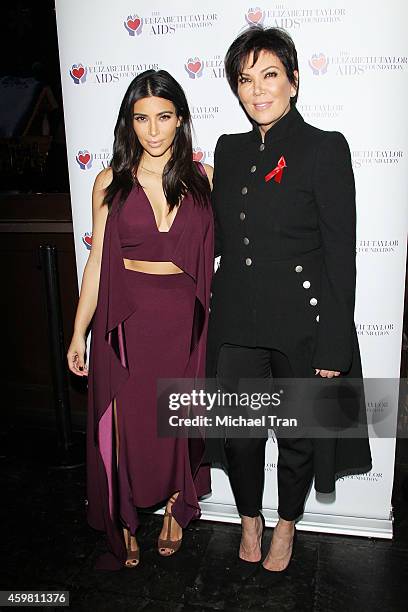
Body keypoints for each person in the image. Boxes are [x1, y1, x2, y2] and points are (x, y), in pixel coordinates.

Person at [205, 26, 372, 576]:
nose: (257, 90)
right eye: (245, 79)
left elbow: (340, 253)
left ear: (294, 81)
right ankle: (249, 516)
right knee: (241, 433)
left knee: (297, 437)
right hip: (237, 322)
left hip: (302, 323)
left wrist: (335, 342)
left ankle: (286, 523)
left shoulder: (325, 147)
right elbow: (222, 238)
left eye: (270, 75)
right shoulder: (227, 152)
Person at [67, 69, 214, 570]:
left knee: (177, 417)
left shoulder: (204, 178)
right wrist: (79, 331)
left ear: (180, 120)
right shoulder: (109, 181)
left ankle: (177, 506)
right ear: (129, 123)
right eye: (142, 118)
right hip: (128, 319)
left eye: (164, 117)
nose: (153, 130)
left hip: (184, 323)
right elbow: (95, 262)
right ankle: (123, 517)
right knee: (128, 425)